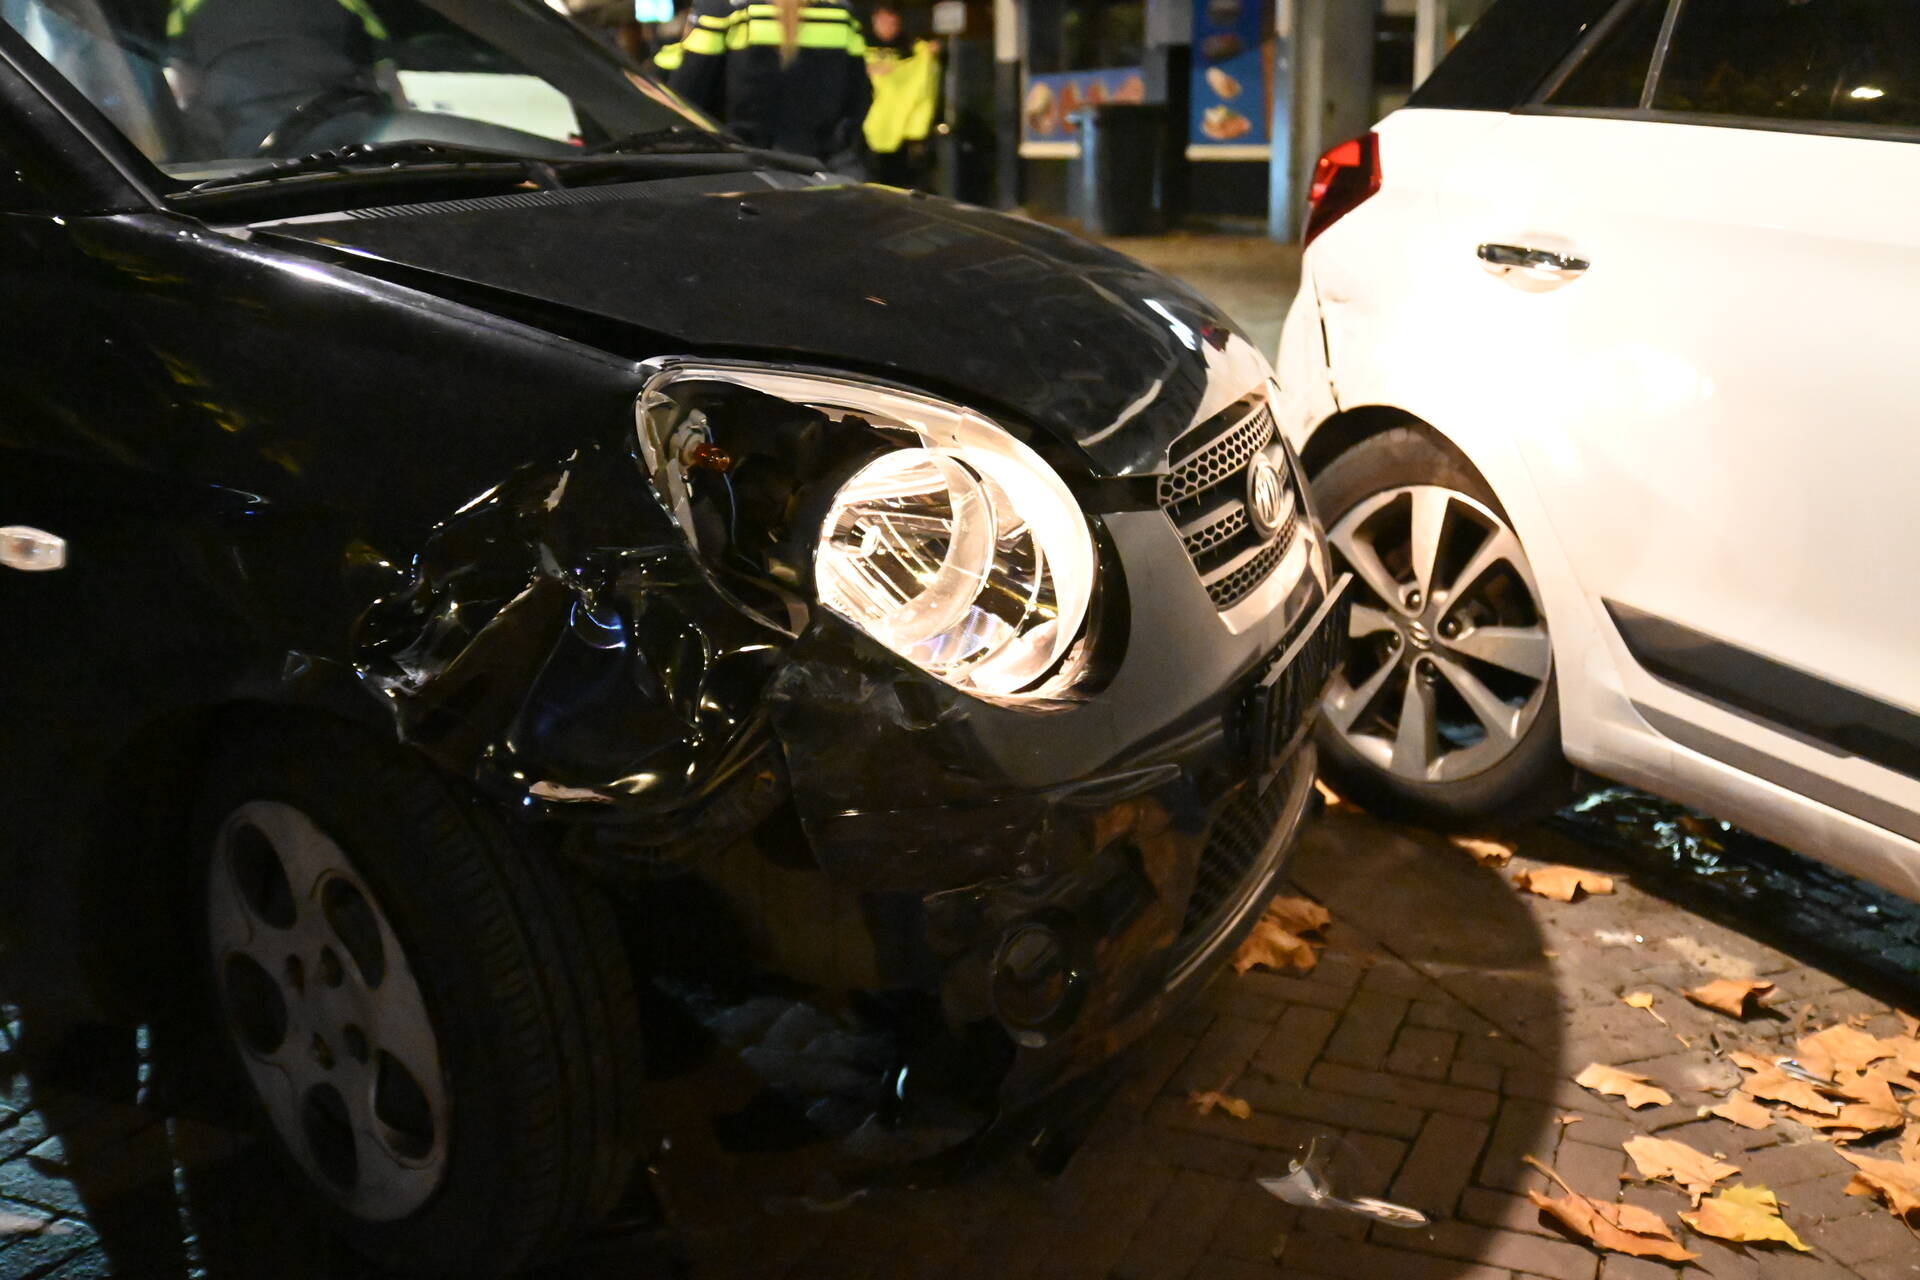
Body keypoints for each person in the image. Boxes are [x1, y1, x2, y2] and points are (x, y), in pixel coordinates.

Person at [168, 0, 389, 157]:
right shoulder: (351, 4)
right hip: (348, 139)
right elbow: (384, 76)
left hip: (243, 154)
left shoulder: (189, 6)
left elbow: (185, 87)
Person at [667, 0, 870, 164]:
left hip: (740, 165)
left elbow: (685, 93)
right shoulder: (842, 12)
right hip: (819, 167)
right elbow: (859, 96)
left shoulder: (725, 8)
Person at [861, 3, 939, 188]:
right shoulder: (861, 46)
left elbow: (921, 77)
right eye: (883, 22)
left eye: (892, 23)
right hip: (866, 129)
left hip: (901, 133)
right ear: (874, 21)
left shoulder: (909, 49)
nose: (888, 28)